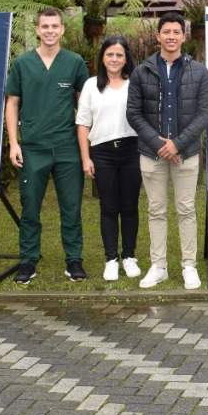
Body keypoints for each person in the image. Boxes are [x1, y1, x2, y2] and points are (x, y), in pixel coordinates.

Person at [127, 12, 208, 290]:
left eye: (177, 32)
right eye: (167, 32)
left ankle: (189, 266)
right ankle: (158, 266)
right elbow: (134, 114)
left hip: (185, 154)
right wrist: (160, 144)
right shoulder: (142, 71)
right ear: (158, 36)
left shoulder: (198, 71)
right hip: (152, 154)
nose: (172, 36)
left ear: (184, 36)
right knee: (156, 210)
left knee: (186, 210)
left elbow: (205, 112)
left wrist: (177, 144)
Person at [5, 7, 90, 285]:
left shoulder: (75, 63)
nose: (50, 31)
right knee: (30, 207)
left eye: (55, 26)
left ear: (63, 29)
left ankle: (74, 260)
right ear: (37, 29)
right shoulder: (22, 64)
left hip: (67, 147)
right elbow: (12, 103)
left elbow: (84, 105)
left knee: (71, 206)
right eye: (45, 26)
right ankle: (28, 260)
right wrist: (13, 143)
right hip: (33, 147)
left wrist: (86, 145)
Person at [77, 34, 142, 283]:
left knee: (129, 205)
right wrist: (86, 158)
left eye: (119, 55)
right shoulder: (91, 85)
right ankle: (111, 259)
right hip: (102, 153)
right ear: (102, 58)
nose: (114, 59)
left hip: (131, 150)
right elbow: (83, 124)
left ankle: (129, 256)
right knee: (108, 207)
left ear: (126, 59)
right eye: (110, 54)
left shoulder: (135, 83)